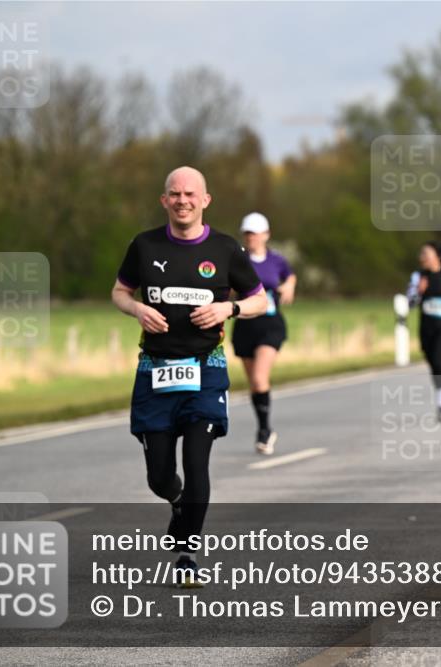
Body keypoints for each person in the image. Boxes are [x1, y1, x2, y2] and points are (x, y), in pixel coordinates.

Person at [112, 166, 268, 585]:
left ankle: (186, 554)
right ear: (164, 200)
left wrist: (228, 308)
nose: (183, 201)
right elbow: (120, 292)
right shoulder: (144, 245)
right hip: (155, 372)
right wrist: (137, 309)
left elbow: (259, 300)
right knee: (160, 476)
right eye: (175, 194)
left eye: (190, 194)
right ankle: (177, 500)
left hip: (206, 371)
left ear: (205, 200)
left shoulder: (225, 249)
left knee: (197, 464)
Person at [232, 212, 297, 455]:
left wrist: (289, 286)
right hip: (244, 325)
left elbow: (290, 275)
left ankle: (263, 431)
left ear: (266, 235)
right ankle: (265, 427)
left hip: (270, 324)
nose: (251, 237)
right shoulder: (237, 259)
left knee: (260, 378)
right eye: (247, 233)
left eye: (255, 233)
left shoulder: (276, 260)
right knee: (254, 384)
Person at [408, 241, 441, 420]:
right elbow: (410, 302)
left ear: (437, 256)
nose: (422, 258)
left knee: (438, 360)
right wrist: (419, 292)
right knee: (433, 364)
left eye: (425, 254)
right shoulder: (417, 276)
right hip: (426, 328)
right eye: (421, 254)